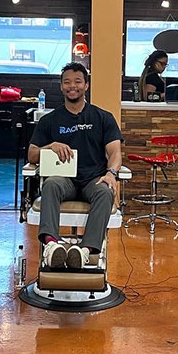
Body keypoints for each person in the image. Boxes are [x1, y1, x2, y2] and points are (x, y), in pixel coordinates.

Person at [28, 62, 123, 268]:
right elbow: (32, 154)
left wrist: (111, 174)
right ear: (61, 86)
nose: (72, 86)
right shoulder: (49, 120)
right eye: (67, 82)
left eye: (78, 81)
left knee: (105, 191)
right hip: (65, 181)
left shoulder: (103, 118)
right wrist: (50, 146)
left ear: (86, 85)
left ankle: (85, 251)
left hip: (93, 179)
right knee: (51, 184)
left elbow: (115, 151)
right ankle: (52, 246)